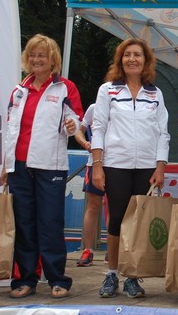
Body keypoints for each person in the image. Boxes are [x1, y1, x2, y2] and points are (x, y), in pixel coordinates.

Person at [1, 34, 84, 299]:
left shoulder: (65, 88)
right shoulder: (18, 90)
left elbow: (76, 119)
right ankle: (25, 279)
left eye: (42, 55)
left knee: (49, 223)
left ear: (52, 60)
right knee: (24, 224)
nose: (37, 59)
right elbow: (10, 130)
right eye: (33, 55)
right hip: (19, 167)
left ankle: (57, 279)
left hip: (50, 165)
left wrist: (73, 126)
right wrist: (6, 164)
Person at [90, 37, 170, 299]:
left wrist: (160, 168)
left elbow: (163, 133)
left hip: (146, 168)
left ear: (146, 61)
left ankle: (133, 276)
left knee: (138, 224)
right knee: (117, 222)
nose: (132, 59)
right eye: (127, 55)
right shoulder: (107, 90)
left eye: (137, 55)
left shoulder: (155, 93)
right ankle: (112, 274)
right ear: (120, 60)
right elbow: (98, 128)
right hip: (116, 165)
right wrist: (98, 166)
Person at [74, 104, 107, 267]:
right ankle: (88, 250)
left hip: (119, 163)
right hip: (94, 162)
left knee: (116, 207)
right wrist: (85, 143)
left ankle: (114, 249)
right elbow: (79, 130)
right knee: (92, 206)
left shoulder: (126, 105)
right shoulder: (94, 108)